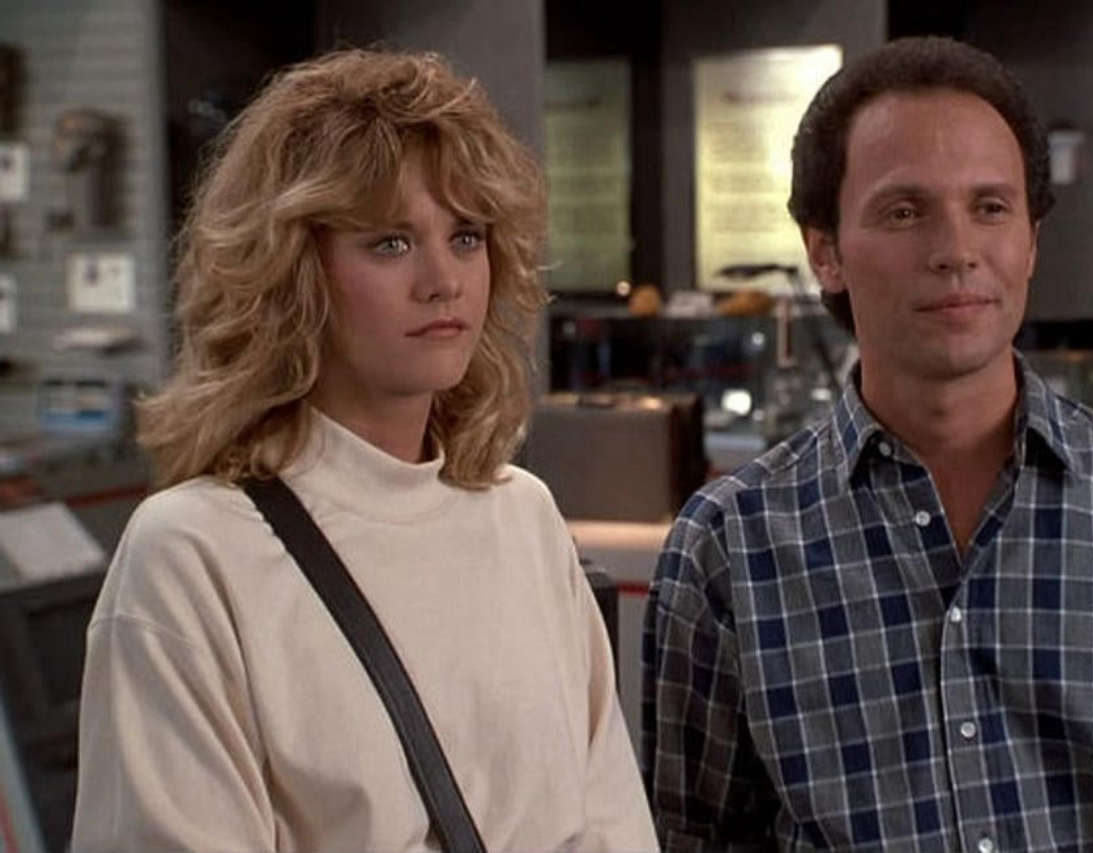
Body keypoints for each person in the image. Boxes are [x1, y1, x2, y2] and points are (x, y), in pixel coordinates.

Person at [643, 35, 1093, 852]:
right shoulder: (730, 546)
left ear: (1032, 240)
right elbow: (690, 834)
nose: (956, 251)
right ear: (824, 251)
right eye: (905, 211)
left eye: (990, 207)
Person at [72, 49, 657, 852]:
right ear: (292, 273)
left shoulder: (524, 515)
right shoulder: (192, 554)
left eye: (466, 236)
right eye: (390, 243)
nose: (443, 280)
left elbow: (612, 817)